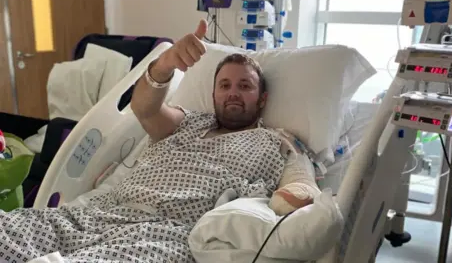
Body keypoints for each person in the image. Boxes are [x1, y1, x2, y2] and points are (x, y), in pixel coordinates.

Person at [0, 19, 303, 263]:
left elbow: (299, 188)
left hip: (162, 236)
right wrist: (165, 64)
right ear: (214, 96)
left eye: (244, 85)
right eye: (224, 85)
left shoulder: (273, 142)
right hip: (101, 213)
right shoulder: (188, 121)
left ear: (262, 99)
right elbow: (145, 108)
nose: (233, 92)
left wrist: (297, 193)